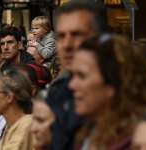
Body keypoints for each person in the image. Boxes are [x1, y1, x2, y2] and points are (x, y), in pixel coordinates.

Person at [68, 35, 146, 149]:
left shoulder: (144, 141)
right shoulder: (87, 131)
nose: (71, 85)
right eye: (72, 75)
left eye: (82, 76)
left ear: (114, 81)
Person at [45, 1, 108, 149]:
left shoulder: (127, 91)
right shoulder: (58, 91)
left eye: (77, 34)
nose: (67, 44)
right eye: (61, 36)